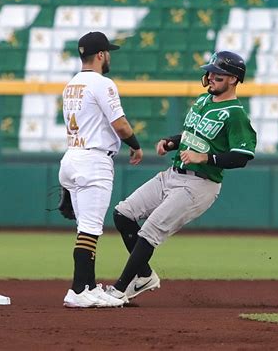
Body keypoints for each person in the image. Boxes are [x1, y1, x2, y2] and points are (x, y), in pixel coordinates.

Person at [105, 51, 257, 303]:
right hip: (173, 174)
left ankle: (119, 290)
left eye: (217, 73)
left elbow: (242, 156)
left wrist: (206, 158)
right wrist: (172, 142)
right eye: (209, 71)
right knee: (123, 214)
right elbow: (192, 134)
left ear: (233, 78)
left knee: (150, 232)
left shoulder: (235, 114)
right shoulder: (202, 100)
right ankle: (144, 276)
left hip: (200, 184)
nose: (210, 76)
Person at [59, 31, 144, 308]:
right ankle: (79, 290)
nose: (109, 57)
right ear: (100, 55)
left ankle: (87, 285)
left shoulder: (72, 84)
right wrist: (135, 144)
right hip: (93, 161)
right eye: (108, 52)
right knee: (90, 229)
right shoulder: (102, 83)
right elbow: (120, 125)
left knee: (85, 229)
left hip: (72, 155)